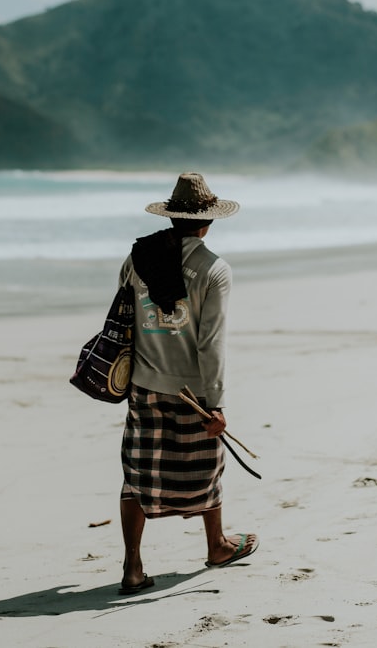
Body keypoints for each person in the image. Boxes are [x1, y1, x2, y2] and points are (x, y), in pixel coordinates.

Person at [117, 172, 258, 594]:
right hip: (192, 390)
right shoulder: (214, 269)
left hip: (143, 383)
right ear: (207, 222)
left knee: (136, 474)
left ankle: (132, 568)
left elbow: (126, 319)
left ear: (173, 216)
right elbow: (210, 344)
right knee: (208, 467)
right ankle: (216, 545)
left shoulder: (137, 258)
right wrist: (214, 403)